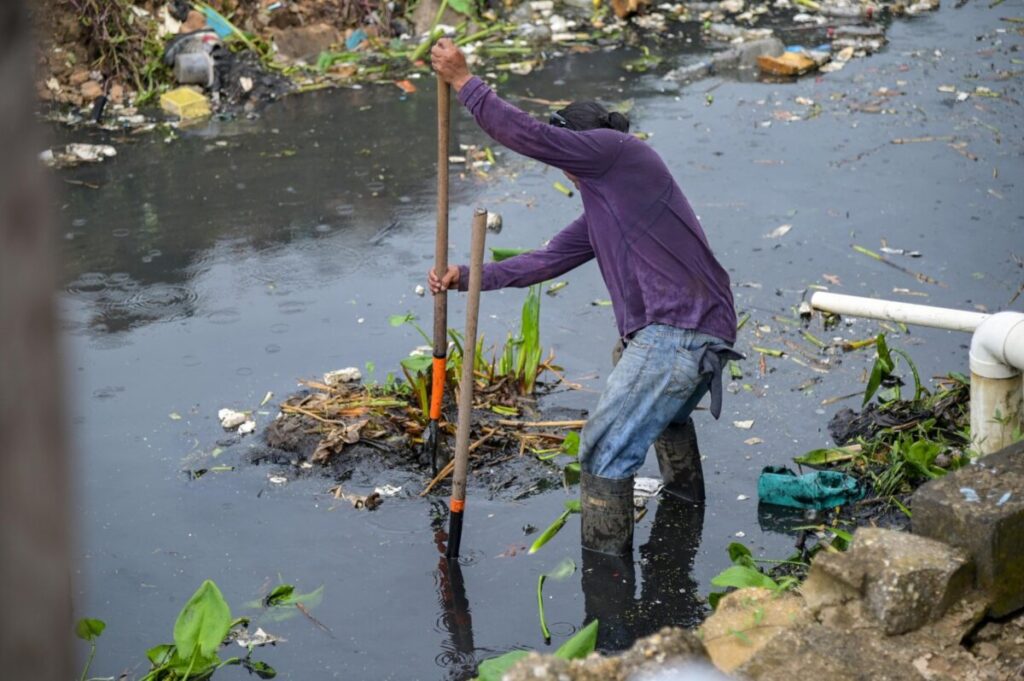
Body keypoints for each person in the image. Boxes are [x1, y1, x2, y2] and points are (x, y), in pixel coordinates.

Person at [429, 39, 740, 556]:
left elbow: (529, 135)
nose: (564, 166)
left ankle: (606, 582)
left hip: (678, 330)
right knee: (648, 391)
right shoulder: (607, 201)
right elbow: (543, 261)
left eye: (564, 154)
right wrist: (467, 276)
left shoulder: (618, 152)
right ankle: (683, 529)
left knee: (602, 450)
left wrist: (465, 82)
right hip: (698, 330)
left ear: (580, 147)